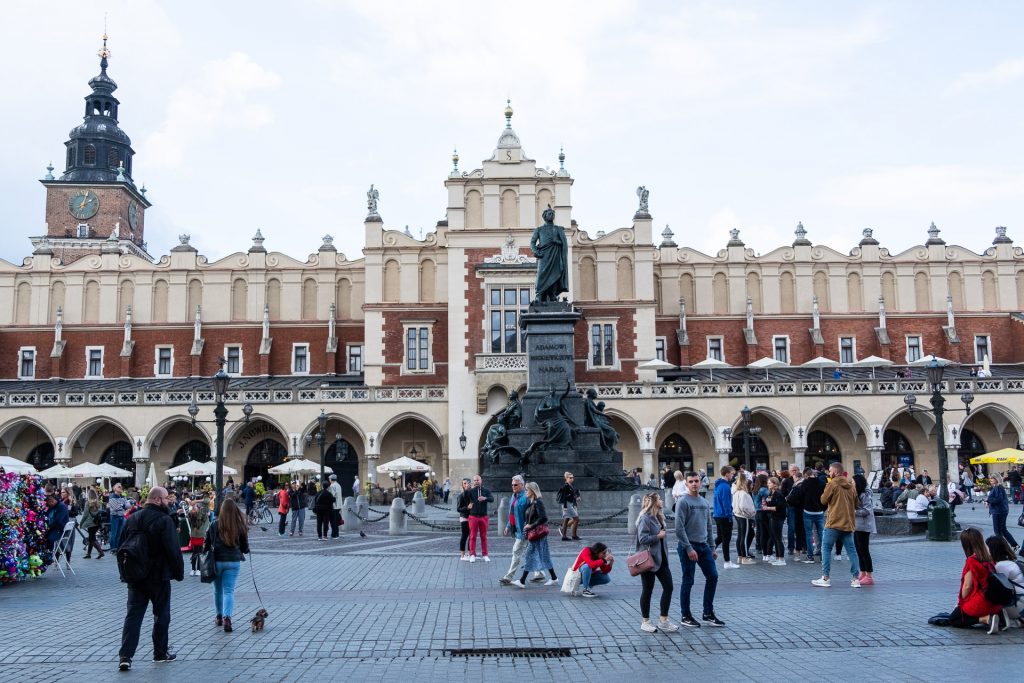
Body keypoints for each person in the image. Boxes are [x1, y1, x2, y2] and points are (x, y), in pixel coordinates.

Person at [117, 487, 185, 671]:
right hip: (158, 576)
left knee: (133, 616)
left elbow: (121, 544)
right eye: (166, 498)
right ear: (156, 500)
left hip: (136, 576)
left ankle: (125, 656)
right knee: (161, 615)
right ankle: (160, 653)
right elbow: (173, 549)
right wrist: (179, 573)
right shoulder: (164, 520)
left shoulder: (132, 519)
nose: (169, 501)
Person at [675, 472, 724, 628]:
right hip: (688, 547)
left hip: (703, 547)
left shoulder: (703, 502)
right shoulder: (683, 502)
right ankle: (685, 615)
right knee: (688, 580)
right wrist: (688, 548)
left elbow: (708, 527)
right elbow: (679, 528)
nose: (694, 484)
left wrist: (712, 548)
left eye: (697, 481)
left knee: (713, 576)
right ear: (686, 484)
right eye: (691, 481)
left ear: (701, 482)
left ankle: (708, 613)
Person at [812, 462, 861, 589]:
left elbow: (823, 500)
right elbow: (857, 504)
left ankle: (825, 578)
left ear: (835, 471)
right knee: (852, 551)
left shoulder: (832, 484)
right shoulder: (851, 486)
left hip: (833, 522)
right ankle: (856, 579)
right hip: (848, 523)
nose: (829, 472)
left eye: (830, 470)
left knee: (826, 548)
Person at [205, 498, 249, 634]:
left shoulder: (214, 524)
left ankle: (219, 617)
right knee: (229, 591)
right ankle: (227, 618)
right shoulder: (239, 525)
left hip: (217, 561)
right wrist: (245, 550)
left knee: (218, 591)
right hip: (233, 562)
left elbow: (207, 542)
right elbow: (244, 546)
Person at [636, 492, 677, 633]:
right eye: (659, 499)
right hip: (648, 559)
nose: (662, 500)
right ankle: (645, 621)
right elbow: (642, 539)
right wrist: (657, 536)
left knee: (669, 587)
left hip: (662, 559)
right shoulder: (645, 518)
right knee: (647, 590)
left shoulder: (658, 517)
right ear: (653, 502)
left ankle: (663, 620)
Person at [949, 528, 1003, 632]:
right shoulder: (989, 558)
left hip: (981, 602)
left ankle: (984, 619)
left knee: (954, 619)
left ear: (966, 544)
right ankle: (997, 615)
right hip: (995, 602)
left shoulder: (971, 560)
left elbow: (967, 586)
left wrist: (961, 603)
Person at [512, 481, 558, 587]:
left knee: (531, 556)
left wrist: (531, 525)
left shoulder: (538, 503)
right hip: (535, 535)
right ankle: (554, 577)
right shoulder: (532, 503)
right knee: (542, 556)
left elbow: (544, 518)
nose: (526, 491)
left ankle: (522, 581)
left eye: (527, 490)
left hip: (538, 534)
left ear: (532, 491)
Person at [530, 205, 569, 303]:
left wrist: (557, 242)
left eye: (552, 214)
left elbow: (563, 243)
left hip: (555, 255)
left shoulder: (558, 229)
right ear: (545, 216)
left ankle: (552, 295)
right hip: (544, 256)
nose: (551, 215)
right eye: (549, 214)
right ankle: (539, 295)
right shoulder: (539, 229)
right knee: (541, 276)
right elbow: (532, 243)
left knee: (555, 275)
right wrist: (536, 251)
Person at [986, 535, 1024, 625]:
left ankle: (1001, 619)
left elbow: (998, 590)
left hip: (1019, 604)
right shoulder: (1013, 562)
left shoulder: (1000, 566)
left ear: (992, 550)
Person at [499, 475, 529, 585]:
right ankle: (540, 573)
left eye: (515, 485)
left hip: (524, 531)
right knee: (531, 553)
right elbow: (512, 513)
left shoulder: (526, 497)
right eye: (512, 485)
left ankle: (508, 577)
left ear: (522, 485)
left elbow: (530, 515)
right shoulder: (514, 495)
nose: (513, 486)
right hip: (516, 530)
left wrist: (527, 528)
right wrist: (507, 526)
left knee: (516, 552)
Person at [792, 467, 825, 564]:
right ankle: (823, 556)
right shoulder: (822, 483)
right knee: (821, 534)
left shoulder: (805, 483)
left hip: (808, 511)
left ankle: (810, 556)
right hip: (819, 512)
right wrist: (823, 508)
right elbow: (826, 498)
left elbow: (801, 496)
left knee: (809, 534)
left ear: (806, 475)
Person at [853, 473, 877, 585]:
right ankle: (862, 572)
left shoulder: (864, 495)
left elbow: (867, 510)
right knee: (859, 550)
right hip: (857, 526)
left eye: (853, 482)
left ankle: (869, 575)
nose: (851, 483)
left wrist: (854, 512)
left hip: (863, 526)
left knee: (864, 551)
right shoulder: (857, 494)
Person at [712, 466, 737, 569]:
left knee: (721, 537)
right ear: (726, 474)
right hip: (724, 516)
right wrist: (729, 516)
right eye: (732, 473)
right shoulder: (726, 487)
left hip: (717, 514)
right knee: (726, 539)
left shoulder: (718, 484)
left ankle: (708, 551)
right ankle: (727, 562)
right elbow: (726, 503)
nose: (733, 475)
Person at [465, 475, 494, 562]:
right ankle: (472, 555)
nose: (476, 482)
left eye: (478, 480)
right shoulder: (471, 491)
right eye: (475, 480)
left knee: (483, 537)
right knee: (472, 536)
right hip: (473, 516)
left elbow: (492, 499)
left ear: (481, 481)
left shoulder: (486, 491)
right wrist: (467, 489)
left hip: (483, 516)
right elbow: (464, 498)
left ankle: (485, 555)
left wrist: (485, 498)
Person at [987, 473, 1018, 551]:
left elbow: (998, 499)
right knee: (1003, 530)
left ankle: (1004, 549)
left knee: (998, 532)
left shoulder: (998, 488)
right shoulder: (997, 487)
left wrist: (988, 500)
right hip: (1001, 511)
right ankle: (1014, 545)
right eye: (990, 479)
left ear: (997, 479)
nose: (990, 480)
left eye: (992, 479)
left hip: (998, 512)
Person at [762, 477, 787, 566]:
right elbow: (769, 503)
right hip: (772, 516)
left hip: (778, 517)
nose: (768, 484)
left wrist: (768, 507)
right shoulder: (771, 493)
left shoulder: (778, 494)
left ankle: (782, 558)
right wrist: (765, 503)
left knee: (778, 538)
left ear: (775, 484)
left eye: (770, 483)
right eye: (768, 483)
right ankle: (777, 557)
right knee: (774, 537)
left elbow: (780, 506)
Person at [732, 474, 756, 565]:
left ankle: (740, 556)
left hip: (738, 515)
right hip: (744, 516)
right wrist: (750, 513)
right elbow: (743, 506)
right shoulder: (743, 493)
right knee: (744, 537)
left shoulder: (736, 492)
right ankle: (745, 557)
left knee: (740, 536)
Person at [80, 488, 105, 559]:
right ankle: (88, 554)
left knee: (92, 538)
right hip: (97, 523)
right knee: (91, 538)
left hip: (90, 523)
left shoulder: (88, 503)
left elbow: (85, 514)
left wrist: (81, 523)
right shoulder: (98, 502)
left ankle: (101, 552)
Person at [187, 499, 210, 576]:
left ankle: (199, 569)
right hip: (194, 535)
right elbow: (188, 513)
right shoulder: (191, 514)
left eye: (195, 507)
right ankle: (193, 569)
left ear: (198, 508)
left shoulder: (203, 512)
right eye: (193, 508)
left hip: (201, 535)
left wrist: (196, 501)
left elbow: (207, 501)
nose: (193, 509)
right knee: (194, 552)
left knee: (199, 552)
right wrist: (189, 502)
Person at [556, 471, 581, 541]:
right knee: (576, 519)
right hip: (567, 504)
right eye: (570, 478)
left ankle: (565, 536)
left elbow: (570, 495)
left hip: (569, 504)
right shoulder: (566, 486)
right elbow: (564, 497)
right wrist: (565, 507)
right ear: (566, 478)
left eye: (572, 477)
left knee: (566, 519)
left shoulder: (570, 486)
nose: (572, 479)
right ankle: (573, 535)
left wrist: (576, 497)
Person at [752, 474, 770, 561]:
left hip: (757, 511)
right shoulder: (763, 489)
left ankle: (760, 548)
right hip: (763, 511)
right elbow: (770, 495)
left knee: (760, 531)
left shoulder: (755, 489)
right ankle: (766, 550)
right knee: (766, 532)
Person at [108, 483, 130, 551]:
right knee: (114, 533)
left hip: (121, 516)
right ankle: (113, 548)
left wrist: (122, 505)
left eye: (121, 487)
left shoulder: (123, 496)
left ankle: (117, 547)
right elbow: (115, 507)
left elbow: (128, 506)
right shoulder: (112, 496)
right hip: (115, 516)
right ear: (114, 488)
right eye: (119, 487)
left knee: (119, 533)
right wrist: (123, 505)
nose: (120, 488)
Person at [456, 478, 472, 560]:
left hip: (473, 518)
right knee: (464, 535)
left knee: (471, 536)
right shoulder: (460, 496)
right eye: (464, 483)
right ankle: (462, 555)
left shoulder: (473, 494)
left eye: (468, 483)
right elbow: (458, 509)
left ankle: (469, 554)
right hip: (465, 517)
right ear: (462, 485)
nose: (466, 484)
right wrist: (467, 508)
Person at [327, 474, 344, 538]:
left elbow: (332, 495)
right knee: (336, 521)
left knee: (333, 521)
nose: (329, 480)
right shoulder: (338, 485)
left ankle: (334, 534)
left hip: (334, 506)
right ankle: (337, 534)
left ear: (331, 479)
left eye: (329, 479)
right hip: (339, 505)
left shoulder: (332, 486)